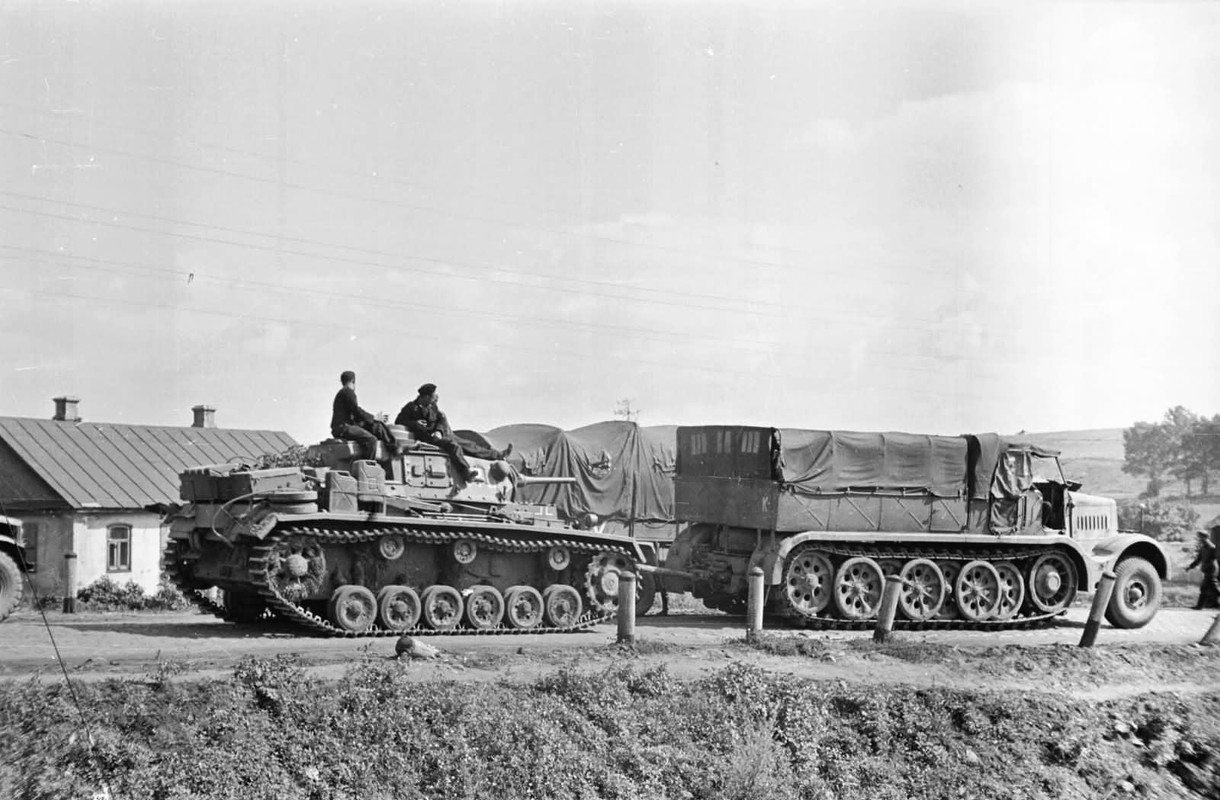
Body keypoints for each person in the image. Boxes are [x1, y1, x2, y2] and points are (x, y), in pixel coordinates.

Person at [395, 383, 512, 481]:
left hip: (439, 435)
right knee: (454, 447)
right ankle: (466, 472)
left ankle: (498, 455)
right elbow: (399, 421)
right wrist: (415, 424)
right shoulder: (410, 407)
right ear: (425, 397)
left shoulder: (432, 407)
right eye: (432, 396)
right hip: (426, 438)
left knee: (469, 445)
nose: (435, 398)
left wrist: (438, 431)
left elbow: (440, 419)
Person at [330, 371, 394, 459]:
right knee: (371, 440)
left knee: (377, 426)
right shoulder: (348, 392)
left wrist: (372, 421)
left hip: (343, 426)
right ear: (353, 381)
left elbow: (355, 414)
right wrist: (374, 418)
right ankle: (367, 466)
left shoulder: (343, 393)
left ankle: (393, 446)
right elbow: (356, 411)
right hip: (343, 428)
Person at [1186, 528, 1219, 610]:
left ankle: (1199, 606)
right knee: (1210, 588)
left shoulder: (1212, 547)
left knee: (1207, 588)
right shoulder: (1203, 548)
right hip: (1207, 570)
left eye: (1200, 537)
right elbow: (1198, 559)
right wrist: (1190, 567)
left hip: (1211, 570)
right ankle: (1200, 606)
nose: (1199, 539)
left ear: (1205, 537)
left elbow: (1217, 558)